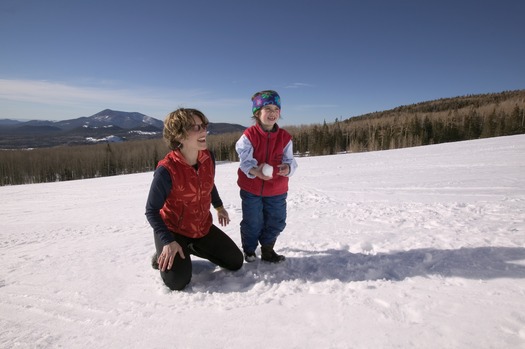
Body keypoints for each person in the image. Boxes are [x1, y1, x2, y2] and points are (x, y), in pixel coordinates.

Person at [145, 108, 243, 291]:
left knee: (235, 261)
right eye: (196, 127)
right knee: (178, 281)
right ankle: (164, 252)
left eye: (204, 126)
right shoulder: (166, 171)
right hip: (173, 230)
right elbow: (151, 210)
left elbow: (208, 184)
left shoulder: (208, 157)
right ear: (179, 136)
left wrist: (219, 206)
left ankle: (188, 248)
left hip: (201, 227)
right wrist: (167, 241)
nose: (204, 131)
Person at [235, 90, 298, 263]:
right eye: (267, 108)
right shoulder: (248, 136)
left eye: (276, 109)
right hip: (252, 189)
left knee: (277, 221)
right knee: (253, 222)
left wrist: (287, 167)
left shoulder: (285, 138)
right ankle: (249, 250)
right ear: (257, 113)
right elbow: (245, 162)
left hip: (277, 189)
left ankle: (268, 249)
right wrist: (257, 172)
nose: (272, 113)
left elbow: (290, 161)